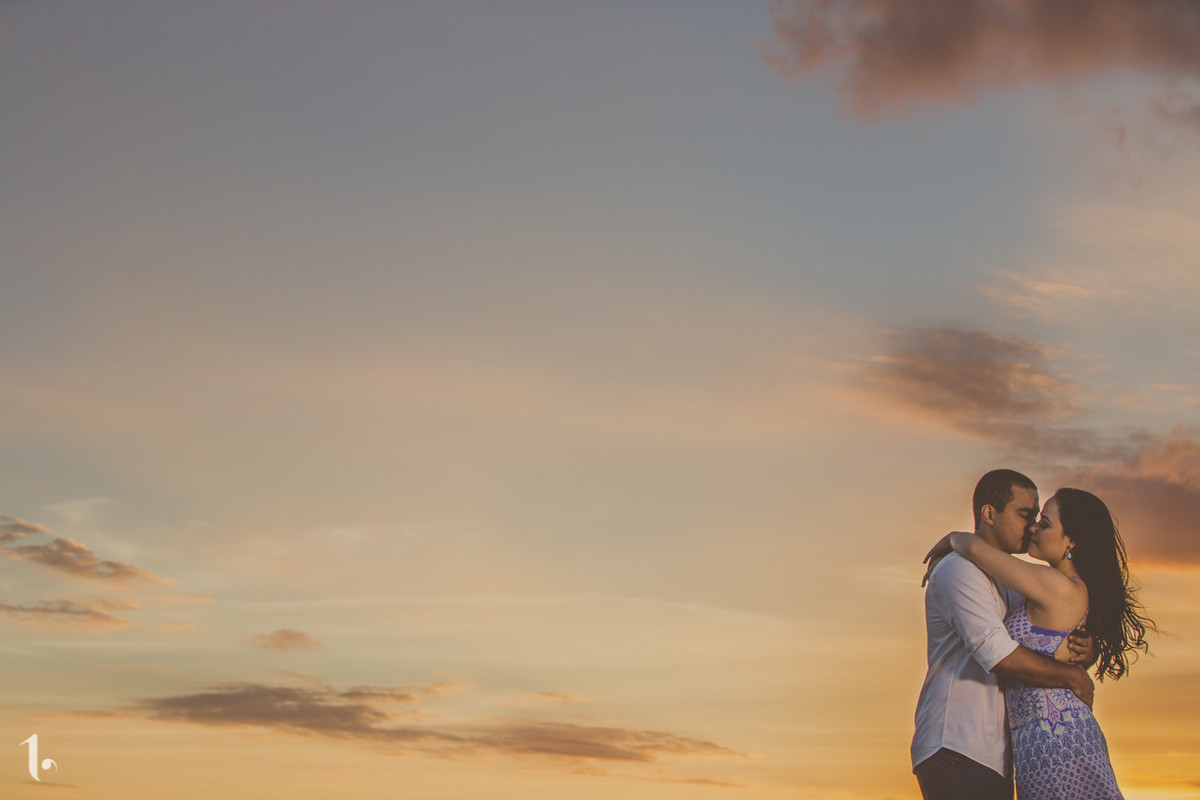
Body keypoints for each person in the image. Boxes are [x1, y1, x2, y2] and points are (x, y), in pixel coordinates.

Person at [925, 487, 1154, 799]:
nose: (1033, 527)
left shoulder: (1056, 586)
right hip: (1035, 740)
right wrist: (1086, 653)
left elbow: (977, 551)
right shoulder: (1040, 587)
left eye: (1044, 523)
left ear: (1071, 542)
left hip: (1057, 740)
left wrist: (953, 539)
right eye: (1031, 518)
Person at [912, 469, 1096, 800]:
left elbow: (1042, 639)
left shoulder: (1010, 582)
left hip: (995, 753)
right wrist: (1072, 677)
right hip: (958, 744)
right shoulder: (959, 570)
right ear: (989, 513)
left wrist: (1086, 649)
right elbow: (998, 653)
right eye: (1025, 514)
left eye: (1038, 518)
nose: (1032, 527)